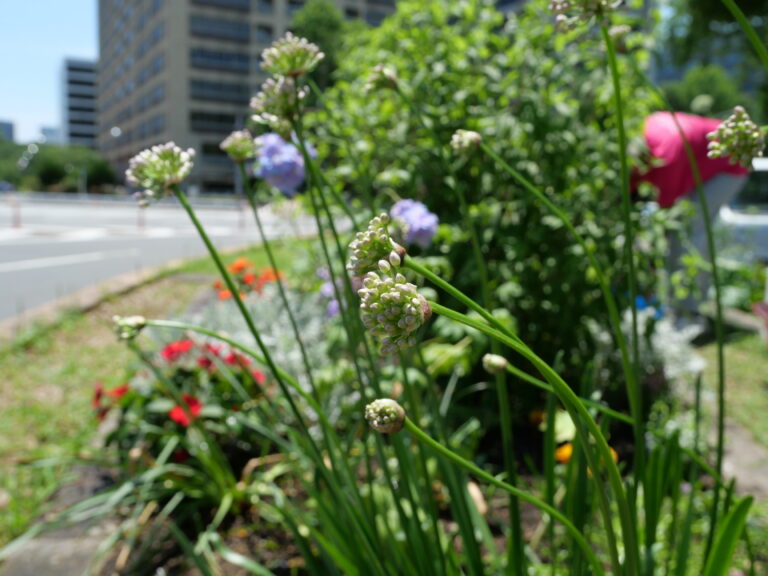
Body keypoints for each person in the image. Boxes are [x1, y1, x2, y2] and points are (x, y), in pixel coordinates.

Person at [632, 111, 750, 318]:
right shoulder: (642, 133)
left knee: (687, 234)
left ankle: (690, 313)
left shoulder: (665, 155)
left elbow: (666, 217)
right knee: (681, 234)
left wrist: (650, 259)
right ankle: (678, 306)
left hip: (729, 163)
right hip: (700, 157)